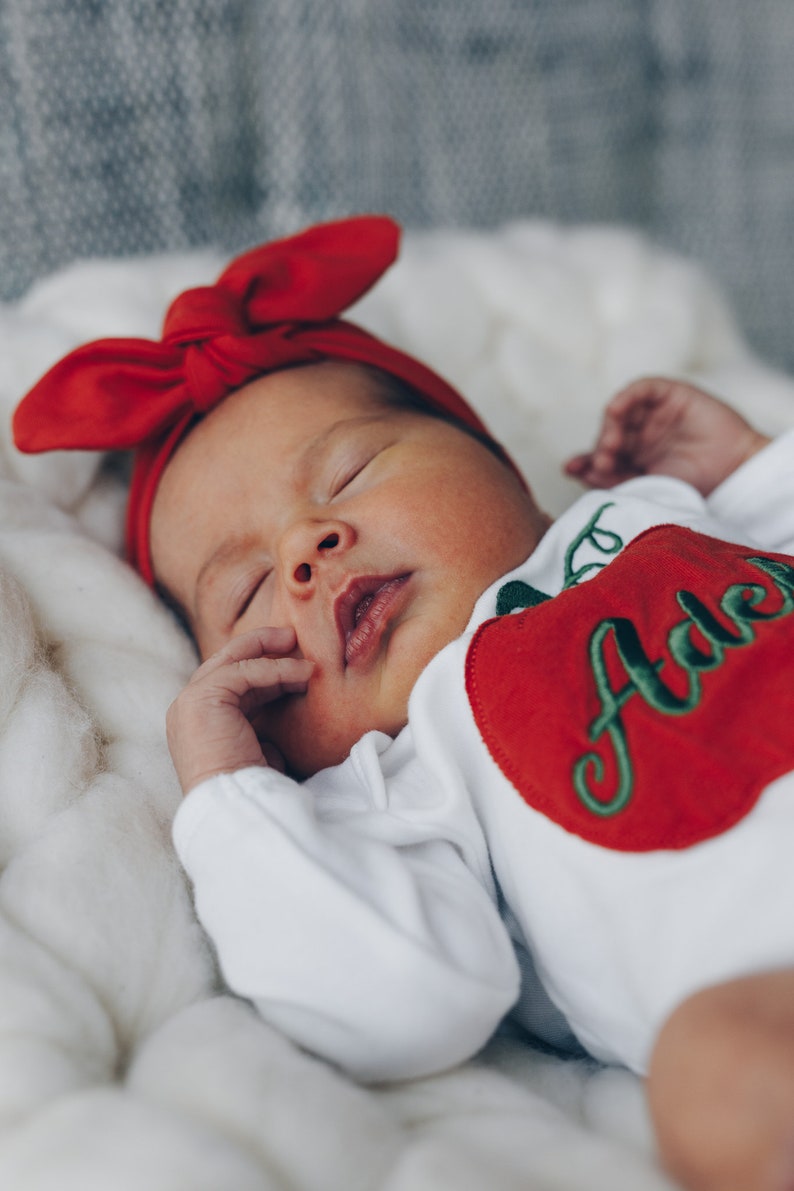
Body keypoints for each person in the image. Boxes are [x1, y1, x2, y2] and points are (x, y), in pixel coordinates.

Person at [13, 217, 794, 1191]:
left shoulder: (644, 517)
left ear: (500, 464)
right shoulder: (403, 781)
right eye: (250, 591)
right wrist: (229, 793)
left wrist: (754, 471)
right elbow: (400, 1003)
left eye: (351, 474)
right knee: (718, 1077)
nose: (305, 549)